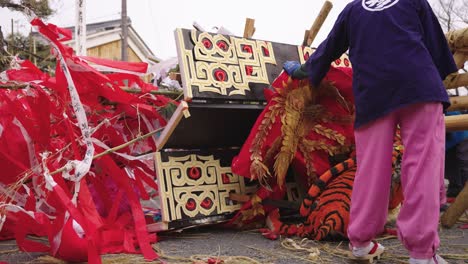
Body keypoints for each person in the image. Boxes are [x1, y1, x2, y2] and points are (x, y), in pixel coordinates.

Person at [284, 0, 458, 263]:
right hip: (419, 87)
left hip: (373, 93)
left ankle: (360, 242)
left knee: (371, 169)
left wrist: (303, 70)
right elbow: (436, 48)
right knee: (423, 166)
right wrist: (442, 77)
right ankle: (422, 254)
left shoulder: (353, 10)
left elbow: (328, 48)